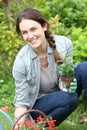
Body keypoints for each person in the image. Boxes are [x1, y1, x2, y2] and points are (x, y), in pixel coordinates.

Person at [12, 8, 78, 126]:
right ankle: (40, 127)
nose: (30, 36)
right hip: (39, 105)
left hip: (60, 91)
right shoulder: (21, 62)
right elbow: (21, 102)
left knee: (84, 69)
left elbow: (66, 76)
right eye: (25, 32)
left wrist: (67, 86)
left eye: (33, 29)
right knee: (69, 98)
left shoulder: (64, 44)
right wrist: (18, 126)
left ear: (44, 26)